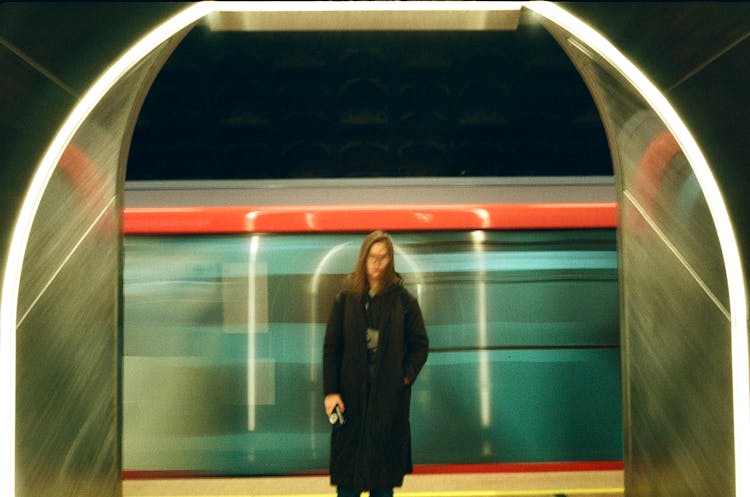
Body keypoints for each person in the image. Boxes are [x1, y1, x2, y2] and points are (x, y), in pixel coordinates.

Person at [323, 231, 429, 497]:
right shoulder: (346, 299)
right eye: (373, 257)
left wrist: (405, 377)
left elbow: (420, 345)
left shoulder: (404, 301)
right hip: (350, 399)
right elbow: (332, 347)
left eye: (383, 258)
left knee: (383, 484)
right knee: (348, 482)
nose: (378, 264)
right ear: (364, 258)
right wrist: (331, 391)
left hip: (387, 402)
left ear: (390, 261)